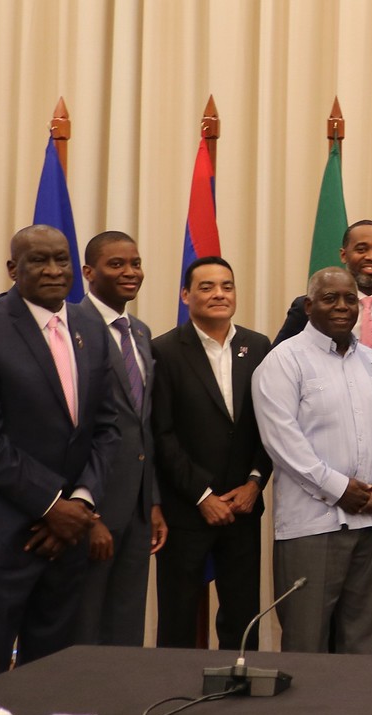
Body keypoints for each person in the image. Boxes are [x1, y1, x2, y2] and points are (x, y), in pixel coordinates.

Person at [0, 225, 122, 671]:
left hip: (67, 538)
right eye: (38, 260)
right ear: (12, 268)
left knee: (50, 678)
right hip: (1, 536)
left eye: (61, 259)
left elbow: (107, 427)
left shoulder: (89, 326)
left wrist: (79, 504)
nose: (53, 270)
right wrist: (51, 505)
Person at [272, 219, 372, 655]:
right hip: (315, 513)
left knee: (371, 618)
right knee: (310, 632)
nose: (371, 256)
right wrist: (339, 488)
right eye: (361, 248)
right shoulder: (287, 358)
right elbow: (283, 434)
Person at [151, 256, 274, 650]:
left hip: (243, 505)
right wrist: (202, 496)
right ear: (186, 295)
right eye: (206, 287)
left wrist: (255, 482)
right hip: (187, 509)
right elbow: (162, 434)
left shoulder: (257, 346)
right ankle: (176, 695)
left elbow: (271, 424)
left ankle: (240, 696)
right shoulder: (164, 351)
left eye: (227, 286)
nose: (219, 294)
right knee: (179, 617)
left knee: (242, 617)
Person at [71, 230, 166, 646]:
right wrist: (87, 513)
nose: (130, 272)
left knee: (127, 623)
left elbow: (143, 426)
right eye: (117, 264)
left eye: (136, 263)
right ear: (89, 272)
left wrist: (154, 501)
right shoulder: (72, 326)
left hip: (138, 507)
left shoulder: (141, 332)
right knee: (85, 621)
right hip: (92, 504)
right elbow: (70, 429)